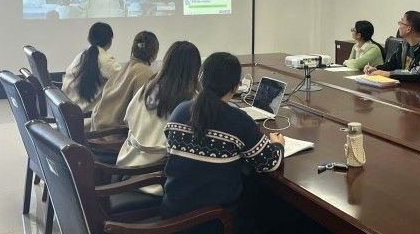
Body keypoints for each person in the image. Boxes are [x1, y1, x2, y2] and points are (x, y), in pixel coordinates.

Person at [161, 52, 285, 233]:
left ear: (201, 79)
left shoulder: (180, 110)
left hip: (172, 215)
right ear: (236, 86)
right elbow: (269, 162)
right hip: (214, 221)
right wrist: (278, 144)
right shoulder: (238, 120)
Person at [116, 41, 202, 193]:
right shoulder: (191, 102)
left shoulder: (148, 87)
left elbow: (127, 119)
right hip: (155, 179)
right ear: (195, 69)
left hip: (127, 166)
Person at [91, 31, 159, 131]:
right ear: (154, 53)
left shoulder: (125, 67)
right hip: (113, 133)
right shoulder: (145, 73)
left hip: (98, 125)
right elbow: (141, 112)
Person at [364, 11, 420, 84]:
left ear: (408, 29)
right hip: (405, 86)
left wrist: (388, 74)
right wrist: (377, 69)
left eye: (401, 22)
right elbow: (391, 64)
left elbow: (418, 73)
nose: (399, 26)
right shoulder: (404, 43)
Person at [62, 22, 121, 116]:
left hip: (70, 112)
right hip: (86, 117)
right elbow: (124, 81)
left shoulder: (81, 56)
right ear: (110, 41)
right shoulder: (107, 61)